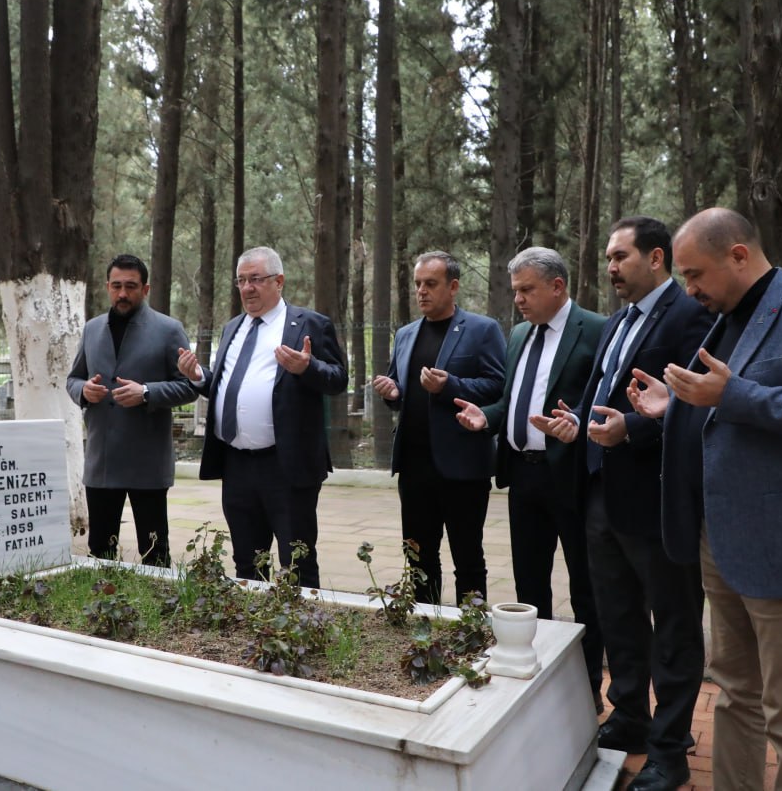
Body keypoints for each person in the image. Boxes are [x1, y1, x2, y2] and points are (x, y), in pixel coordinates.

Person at [626, 208, 782, 790]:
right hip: (722, 542)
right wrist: (676, 403)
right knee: (735, 694)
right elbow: (719, 405)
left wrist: (732, 395)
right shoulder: (726, 314)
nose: (690, 290)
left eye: (695, 274)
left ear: (738, 254)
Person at [544, 217, 712, 791]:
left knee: (673, 625)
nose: (610, 268)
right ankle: (631, 719)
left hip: (658, 501)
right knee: (618, 618)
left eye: (621, 257)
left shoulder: (693, 317)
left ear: (658, 258)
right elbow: (610, 399)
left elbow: (693, 409)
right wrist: (579, 424)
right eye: (609, 258)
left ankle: (670, 749)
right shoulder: (618, 321)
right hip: (601, 496)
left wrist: (633, 432)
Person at [452, 246, 606, 709]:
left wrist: (576, 421)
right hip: (523, 478)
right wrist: (488, 416)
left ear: (557, 287)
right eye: (516, 290)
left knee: (586, 588)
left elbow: (603, 395)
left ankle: (587, 689)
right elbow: (514, 398)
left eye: (527, 290)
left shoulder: (596, 329)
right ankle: (535, 678)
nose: (518, 299)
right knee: (530, 587)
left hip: (573, 479)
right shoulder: (519, 333)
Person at [177, 246, 347, 588]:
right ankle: (253, 626)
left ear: (279, 281)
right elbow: (228, 387)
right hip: (237, 464)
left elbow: (338, 378)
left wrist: (307, 367)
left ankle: (304, 629)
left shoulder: (309, 324)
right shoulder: (233, 328)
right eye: (241, 280)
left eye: (256, 279)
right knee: (246, 558)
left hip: (286, 465)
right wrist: (198, 377)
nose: (247, 288)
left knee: (297, 558)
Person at [371, 251, 506, 606]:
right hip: (415, 467)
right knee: (418, 559)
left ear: (454, 286)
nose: (421, 291)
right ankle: (424, 631)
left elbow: (498, 385)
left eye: (430, 284)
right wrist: (393, 392)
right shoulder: (405, 334)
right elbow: (400, 389)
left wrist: (450, 386)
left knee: (468, 560)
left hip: (462, 467)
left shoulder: (482, 329)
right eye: (418, 284)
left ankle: (471, 631)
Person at [66, 254, 199, 565]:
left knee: (155, 554)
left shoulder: (169, 329)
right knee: (100, 551)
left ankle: (157, 611)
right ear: (107, 287)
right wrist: (83, 390)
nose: (122, 293)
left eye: (130, 286)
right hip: (102, 462)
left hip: (147, 464)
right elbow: (73, 379)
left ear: (146, 288)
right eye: (116, 286)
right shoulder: (92, 329)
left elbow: (191, 386)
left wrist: (147, 392)